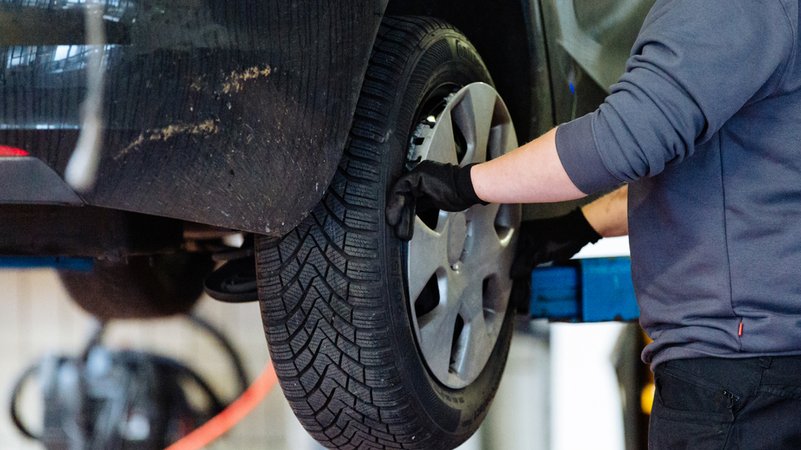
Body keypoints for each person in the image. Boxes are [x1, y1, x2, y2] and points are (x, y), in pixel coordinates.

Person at [386, 0, 801, 448]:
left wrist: (467, 182)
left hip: (739, 381)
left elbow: (624, 140)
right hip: (766, 365)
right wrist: (576, 227)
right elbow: (748, 166)